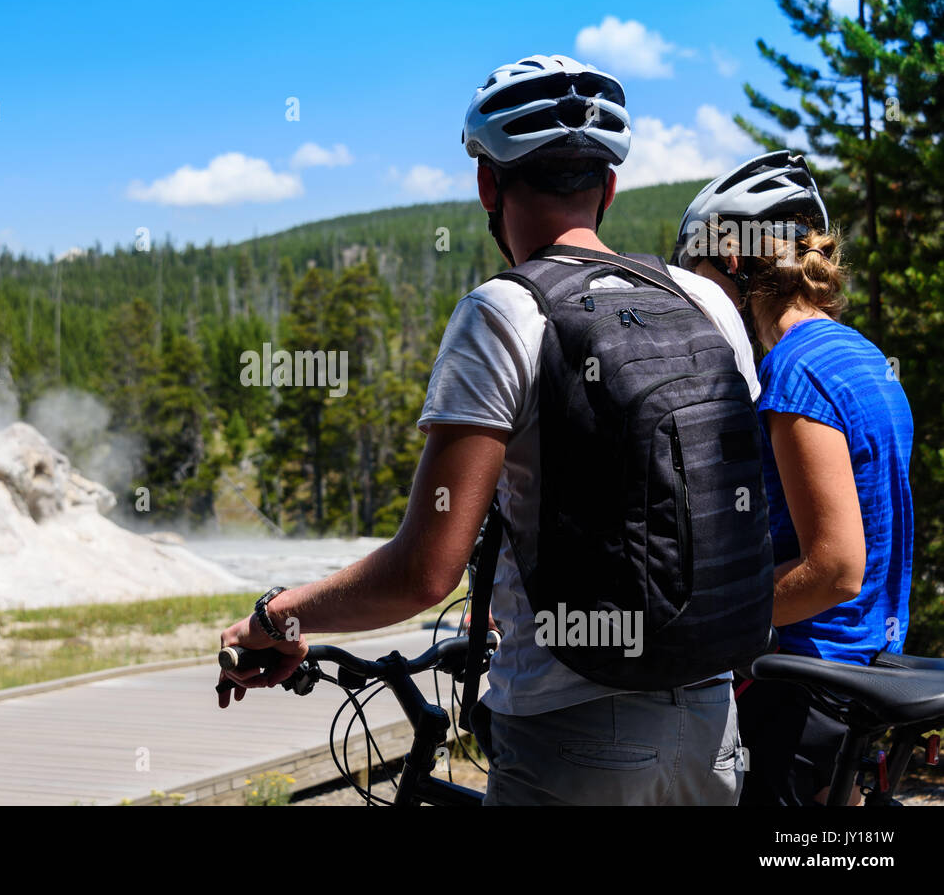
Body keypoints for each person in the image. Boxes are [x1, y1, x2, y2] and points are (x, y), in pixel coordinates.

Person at [217, 55, 763, 805]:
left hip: (571, 729)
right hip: (712, 726)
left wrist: (276, 614)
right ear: (607, 186)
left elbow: (424, 571)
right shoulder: (706, 299)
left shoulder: (503, 312)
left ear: (487, 185)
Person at [672, 150, 915, 805]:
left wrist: (703, 624)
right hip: (852, 680)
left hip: (801, 686)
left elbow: (835, 566)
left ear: (732, 265)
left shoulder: (795, 373)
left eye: (697, 281)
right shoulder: (860, 356)